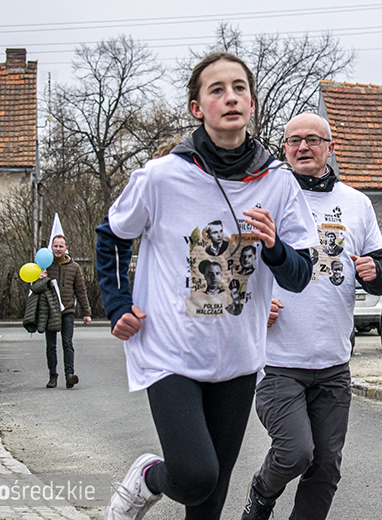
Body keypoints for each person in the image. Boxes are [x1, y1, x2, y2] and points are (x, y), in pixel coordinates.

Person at [95, 52, 317, 520]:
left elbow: (299, 275)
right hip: (169, 350)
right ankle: (149, 477)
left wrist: (274, 246)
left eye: (239, 88)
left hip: (236, 356)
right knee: (194, 476)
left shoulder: (279, 183)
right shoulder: (161, 177)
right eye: (216, 90)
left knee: (211, 496)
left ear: (252, 103)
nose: (230, 97)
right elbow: (112, 232)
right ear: (197, 108)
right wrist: (117, 305)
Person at [242, 113, 382, 520]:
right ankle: (261, 494)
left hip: (332, 364)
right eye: (293, 141)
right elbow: (234, 271)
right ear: (284, 149)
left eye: (313, 139)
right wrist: (255, 304)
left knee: (325, 466)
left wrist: (374, 272)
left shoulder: (356, 203)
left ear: (331, 148)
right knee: (295, 452)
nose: (303, 147)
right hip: (277, 362)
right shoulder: (264, 199)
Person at [41, 235, 92, 389]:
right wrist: (40, 278)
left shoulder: (75, 267)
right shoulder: (45, 266)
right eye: (55, 246)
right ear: (51, 248)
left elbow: (81, 291)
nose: (58, 249)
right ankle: (53, 376)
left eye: (61, 246)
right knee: (51, 345)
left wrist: (86, 312)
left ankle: (69, 374)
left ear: (66, 248)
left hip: (67, 311)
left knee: (67, 343)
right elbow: (35, 289)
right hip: (50, 311)